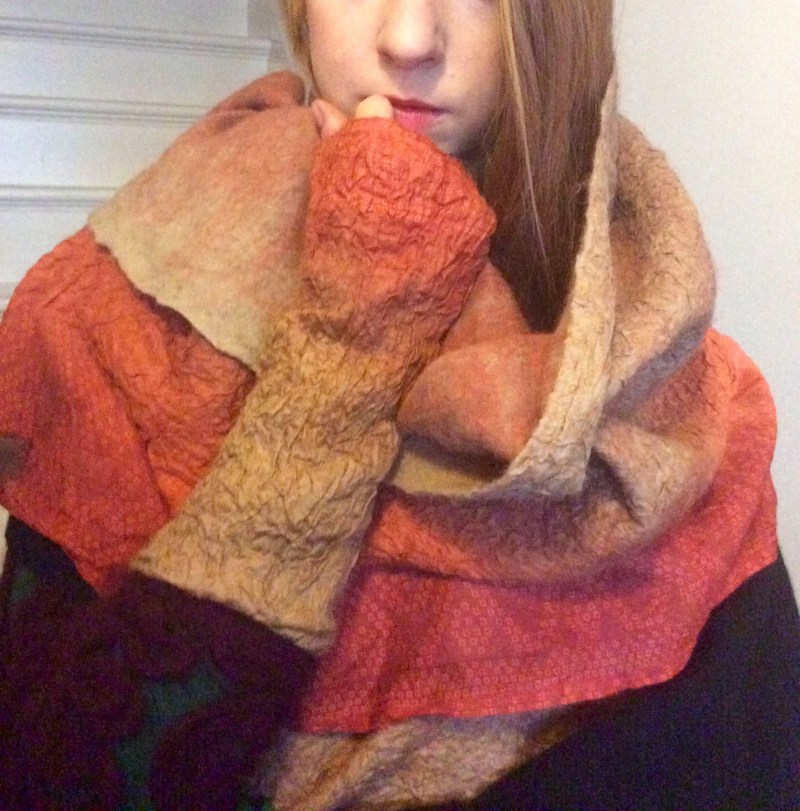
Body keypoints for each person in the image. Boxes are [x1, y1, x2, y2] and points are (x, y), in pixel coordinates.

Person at [0, 0, 798, 808]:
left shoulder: (677, 393)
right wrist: (349, 345)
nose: (409, 39)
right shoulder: (105, 319)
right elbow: (55, 774)